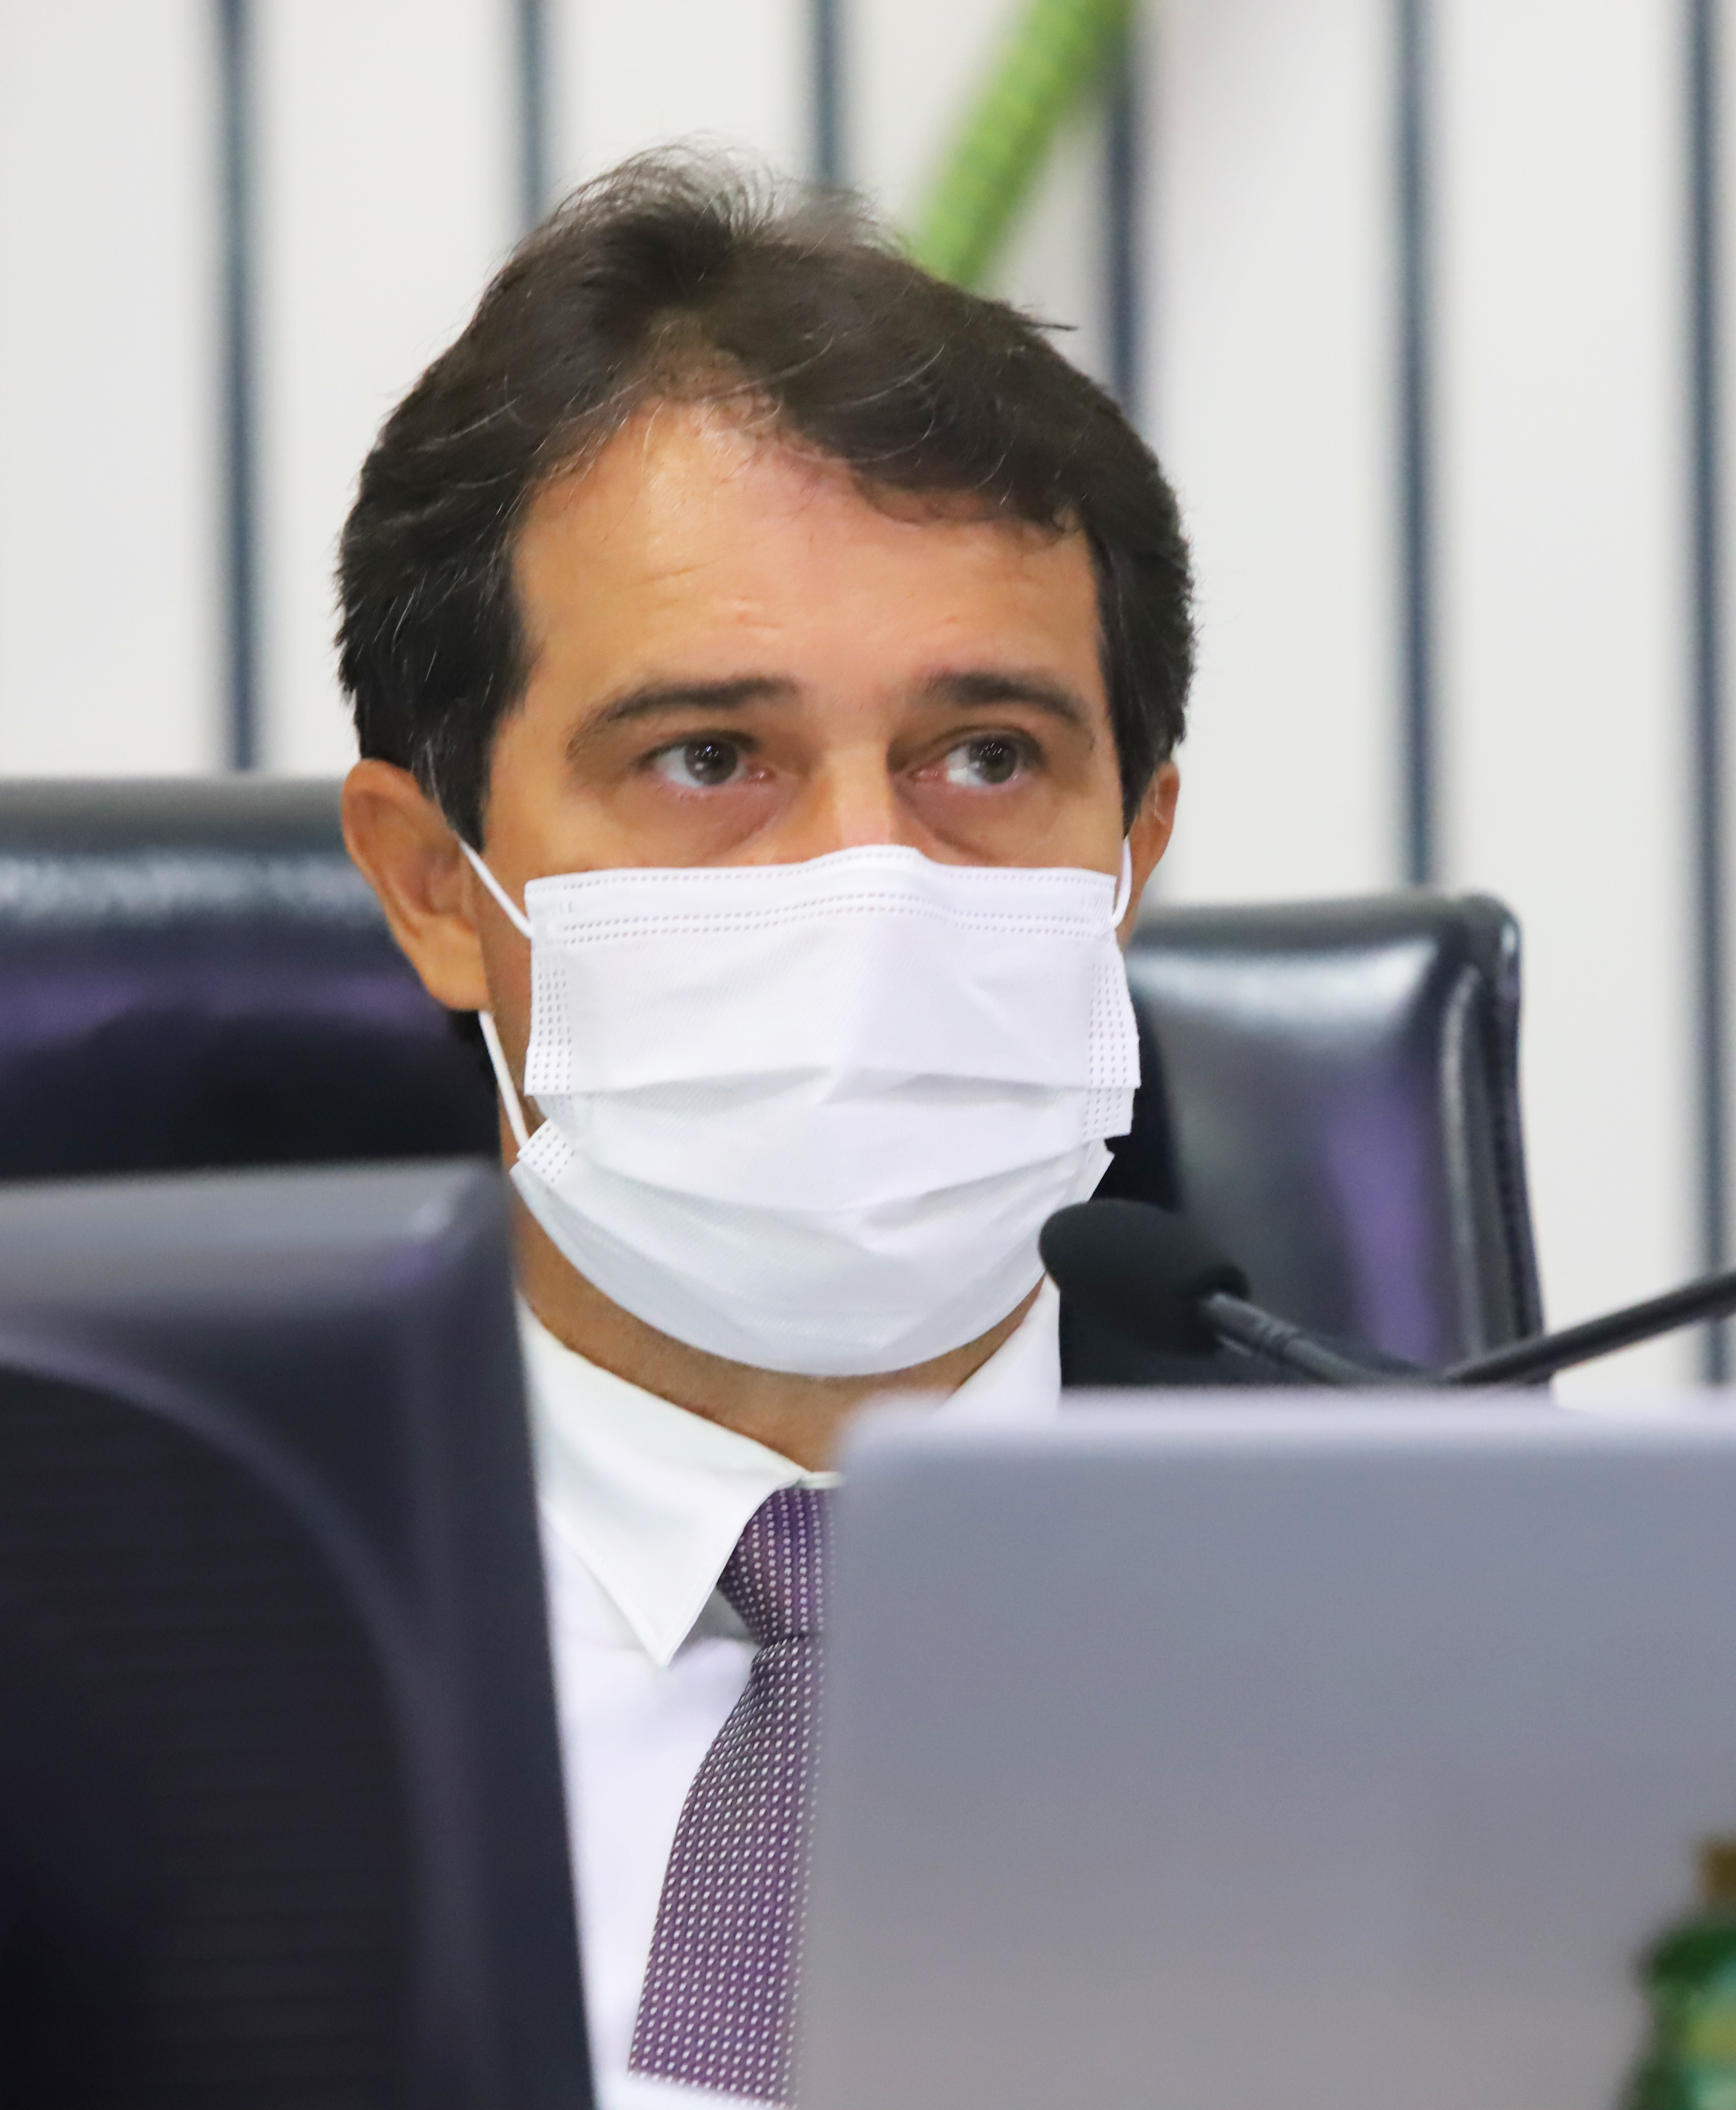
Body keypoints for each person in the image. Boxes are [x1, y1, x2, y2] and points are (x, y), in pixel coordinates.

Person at [335, 153, 1203, 2108]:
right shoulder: (126, 1639)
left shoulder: (1487, 1637)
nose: (866, 883)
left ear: (1129, 861)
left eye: (986, 755)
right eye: (709, 756)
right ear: (436, 885)